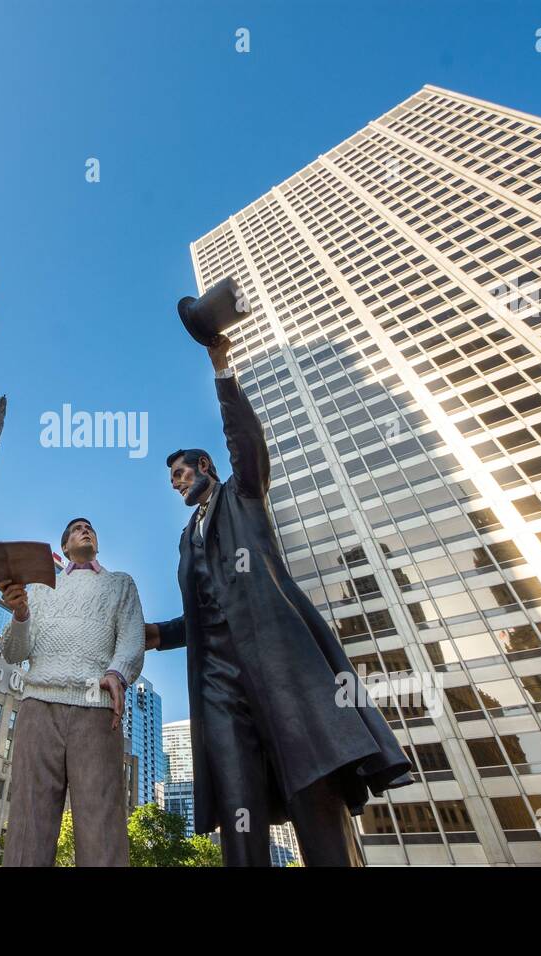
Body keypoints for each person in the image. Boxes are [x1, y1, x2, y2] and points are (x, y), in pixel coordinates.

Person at [145, 333, 413, 866]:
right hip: (217, 680)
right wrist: (159, 635)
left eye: (181, 473)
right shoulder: (185, 538)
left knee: (310, 784)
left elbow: (247, 441)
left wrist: (221, 367)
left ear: (207, 468)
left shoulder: (243, 495)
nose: (176, 483)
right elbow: (204, 607)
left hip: (277, 663)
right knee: (238, 799)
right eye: (172, 478)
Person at [0, 518, 144, 866]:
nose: (85, 530)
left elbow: (132, 638)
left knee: (102, 824)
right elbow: (14, 653)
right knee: (27, 823)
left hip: (96, 707)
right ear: (64, 546)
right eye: (77, 528)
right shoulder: (38, 590)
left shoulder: (120, 584)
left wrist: (117, 673)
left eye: (90, 527)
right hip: (37, 708)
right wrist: (19, 614)